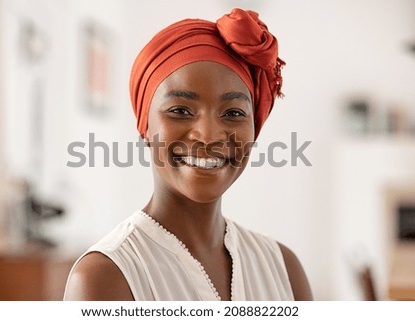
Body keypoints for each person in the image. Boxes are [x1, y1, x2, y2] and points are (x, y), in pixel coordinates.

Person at [64, 8, 313, 301]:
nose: (208, 136)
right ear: (144, 126)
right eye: (180, 111)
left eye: (233, 113)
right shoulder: (106, 276)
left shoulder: (283, 269)